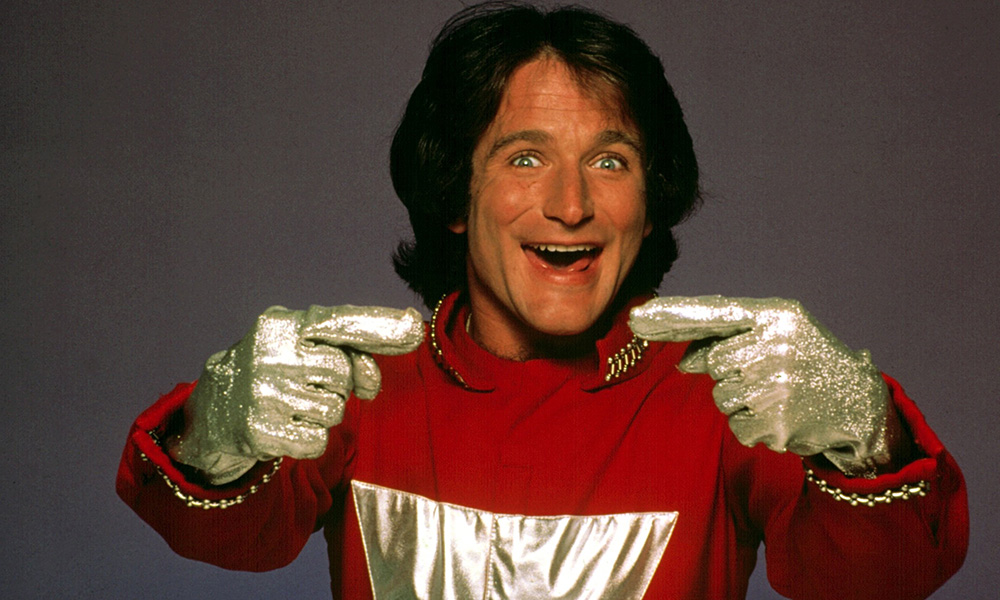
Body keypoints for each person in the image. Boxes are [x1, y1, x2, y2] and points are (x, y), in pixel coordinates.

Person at [117, 3, 968, 598]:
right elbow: (222, 538)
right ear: (456, 194)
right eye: (524, 158)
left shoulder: (729, 393)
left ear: (650, 200)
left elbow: (882, 579)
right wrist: (214, 435)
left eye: (610, 161)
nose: (571, 205)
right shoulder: (357, 390)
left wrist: (867, 434)